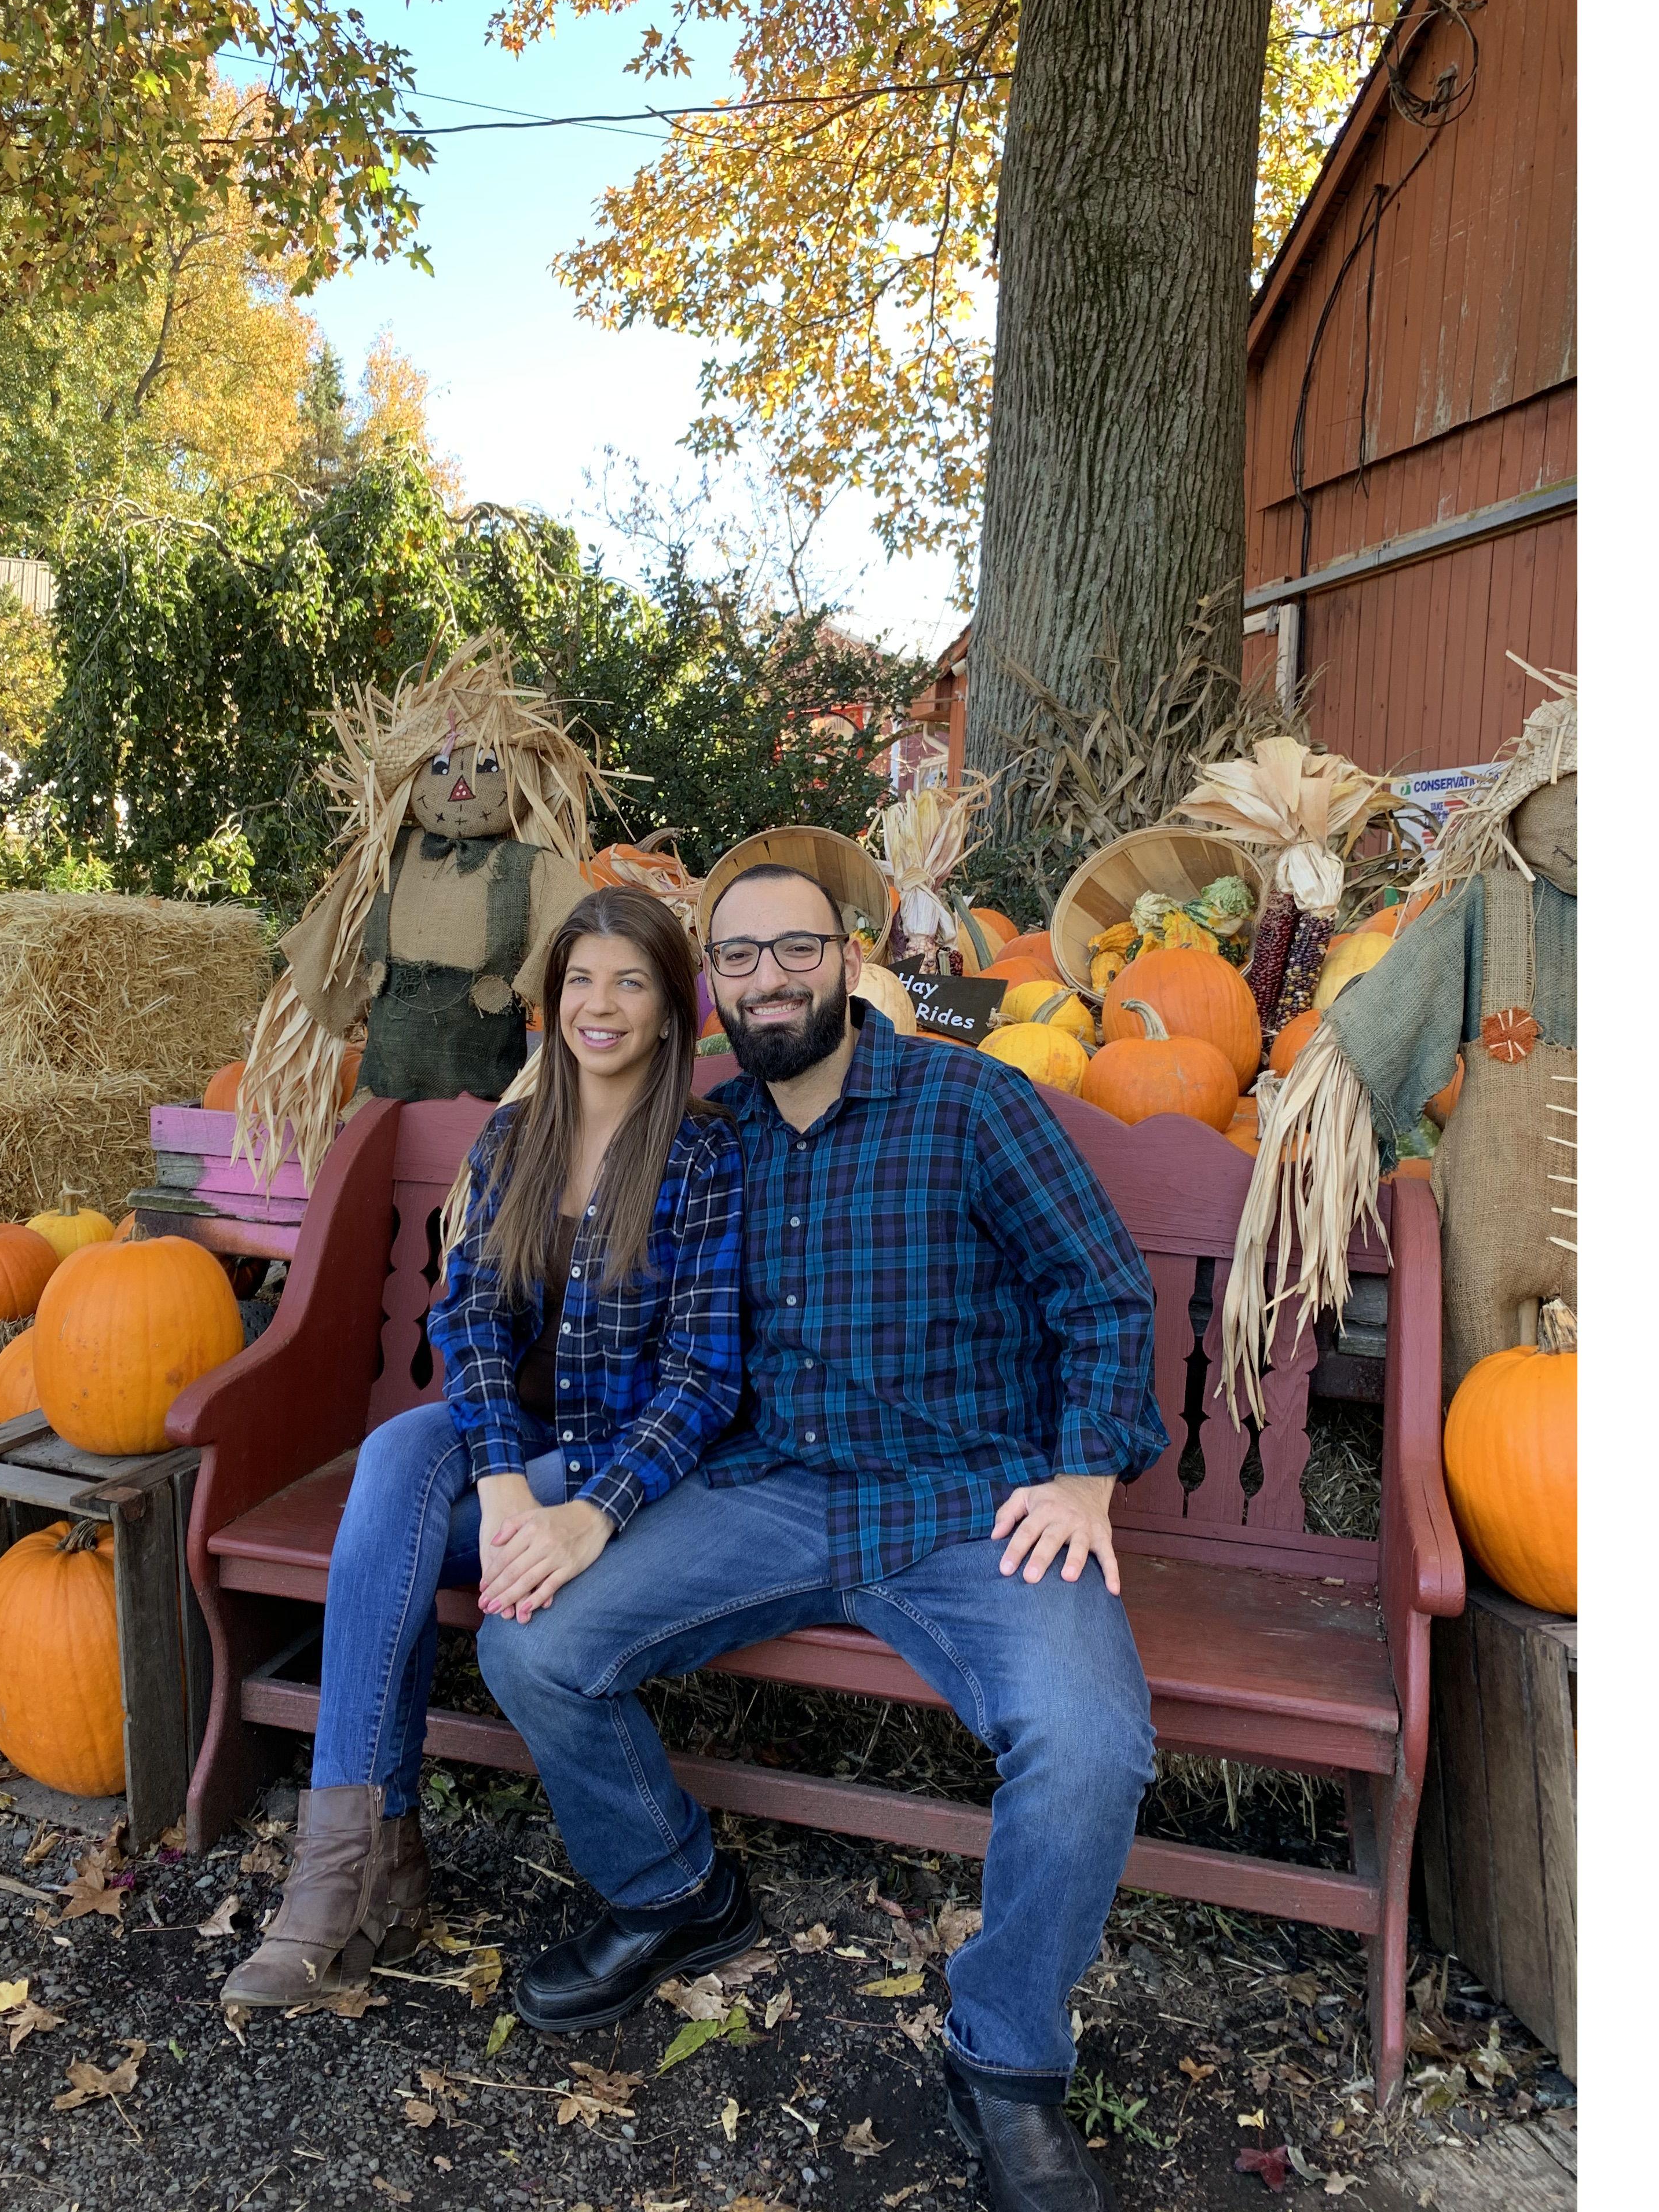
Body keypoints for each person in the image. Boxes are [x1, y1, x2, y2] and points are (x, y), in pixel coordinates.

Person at [477, 865, 1171, 2212]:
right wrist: (552, 1487)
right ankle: (674, 1888)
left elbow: (1101, 1288)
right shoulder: (717, 1135)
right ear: (715, 990)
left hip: (970, 1506)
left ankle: (1009, 2052)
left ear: (847, 960)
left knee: (1090, 1744)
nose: (769, 979)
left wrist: (1087, 1473)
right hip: (772, 1490)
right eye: (738, 959)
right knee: (537, 1649)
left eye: (795, 950)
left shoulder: (972, 1105)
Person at [221, 887, 746, 2008]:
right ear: (552, 1001)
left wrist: (570, 1505)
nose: (600, 1004)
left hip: (620, 1464)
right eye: (581, 981)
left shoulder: (705, 1153)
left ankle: (360, 1874)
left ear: (670, 1011)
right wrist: (504, 1477)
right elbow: (467, 1320)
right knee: (400, 1459)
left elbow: (705, 1379)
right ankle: (361, 1865)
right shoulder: (516, 1134)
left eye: (631, 982)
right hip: (517, 1454)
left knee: (388, 1535)